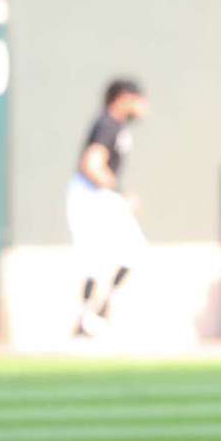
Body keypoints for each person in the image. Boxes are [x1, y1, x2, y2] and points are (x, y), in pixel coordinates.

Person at [66, 79, 150, 337]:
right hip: (92, 195)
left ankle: (98, 310)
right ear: (123, 98)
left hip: (104, 196)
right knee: (95, 257)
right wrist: (120, 192)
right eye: (138, 99)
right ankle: (86, 318)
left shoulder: (118, 127)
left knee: (133, 251)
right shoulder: (107, 124)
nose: (143, 106)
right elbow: (91, 164)